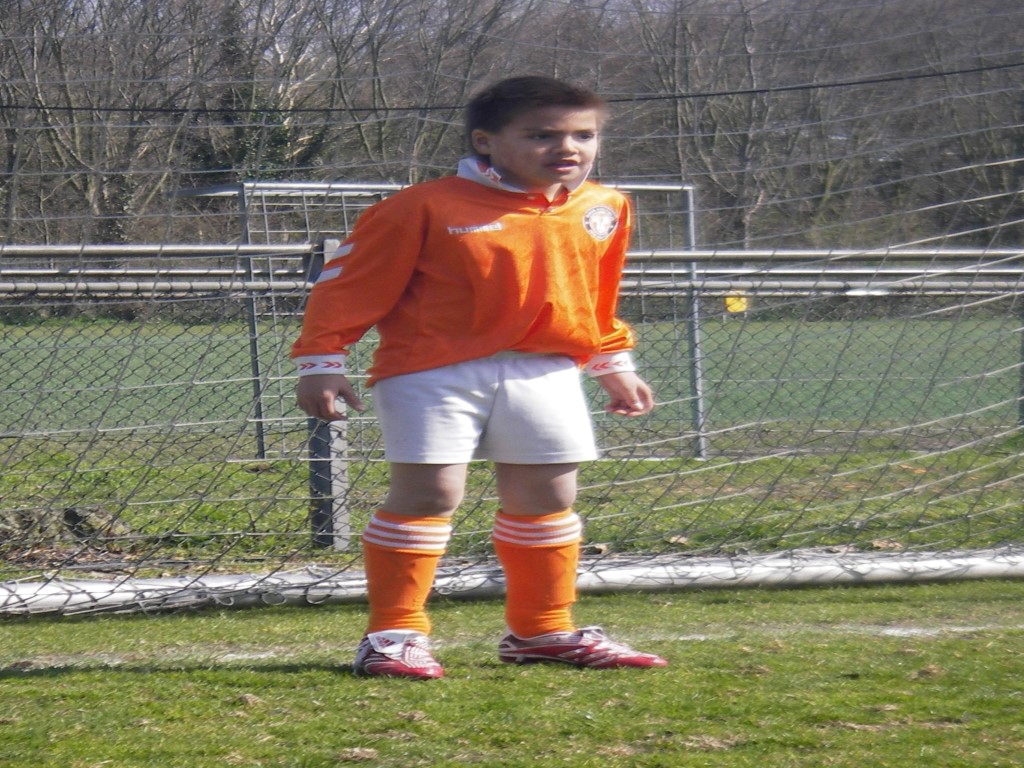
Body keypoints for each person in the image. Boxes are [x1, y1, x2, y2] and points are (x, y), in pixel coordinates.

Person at [291, 75, 668, 679]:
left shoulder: (605, 206)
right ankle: (393, 635)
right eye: (541, 135)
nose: (567, 148)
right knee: (431, 494)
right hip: (431, 370)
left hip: (546, 369)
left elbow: (597, 294)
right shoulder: (423, 206)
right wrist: (322, 360)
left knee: (548, 495)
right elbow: (350, 286)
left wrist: (611, 361)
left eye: (583, 135)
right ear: (485, 141)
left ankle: (542, 632)